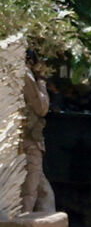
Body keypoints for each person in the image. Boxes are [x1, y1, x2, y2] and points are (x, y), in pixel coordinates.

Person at [20, 51, 56, 214]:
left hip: (27, 140)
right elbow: (42, 107)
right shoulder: (26, 75)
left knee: (44, 193)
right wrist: (41, 82)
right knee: (30, 193)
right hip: (28, 142)